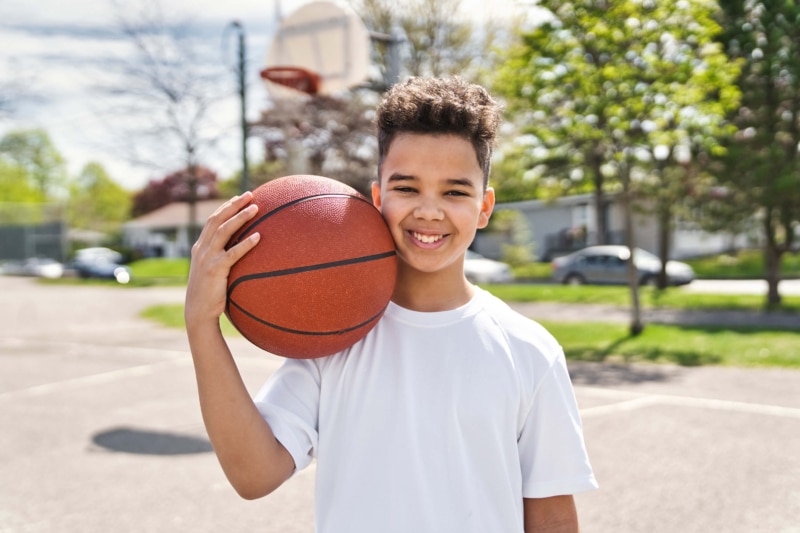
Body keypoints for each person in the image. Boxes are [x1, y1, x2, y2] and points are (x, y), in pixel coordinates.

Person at [185, 76, 598, 533]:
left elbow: (554, 515)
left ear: (484, 207)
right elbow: (253, 475)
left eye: (455, 192)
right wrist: (202, 325)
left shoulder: (528, 350)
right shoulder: (334, 338)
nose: (429, 210)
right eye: (407, 188)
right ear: (377, 198)